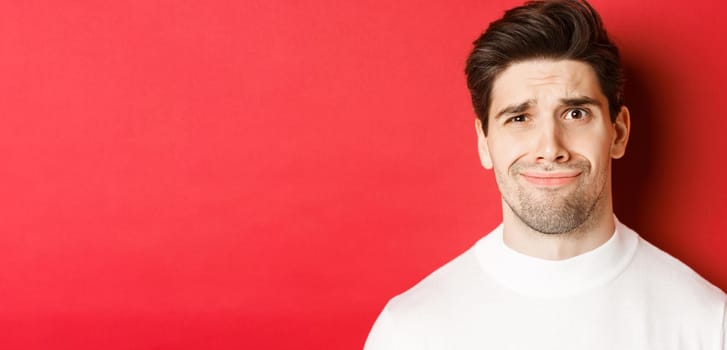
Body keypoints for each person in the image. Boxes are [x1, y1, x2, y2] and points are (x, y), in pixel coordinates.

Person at [364, 0, 727, 349]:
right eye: (519, 118)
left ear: (618, 132)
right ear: (484, 143)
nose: (550, 147)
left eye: (575, 114)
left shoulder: (708, 324)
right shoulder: (410, 333)